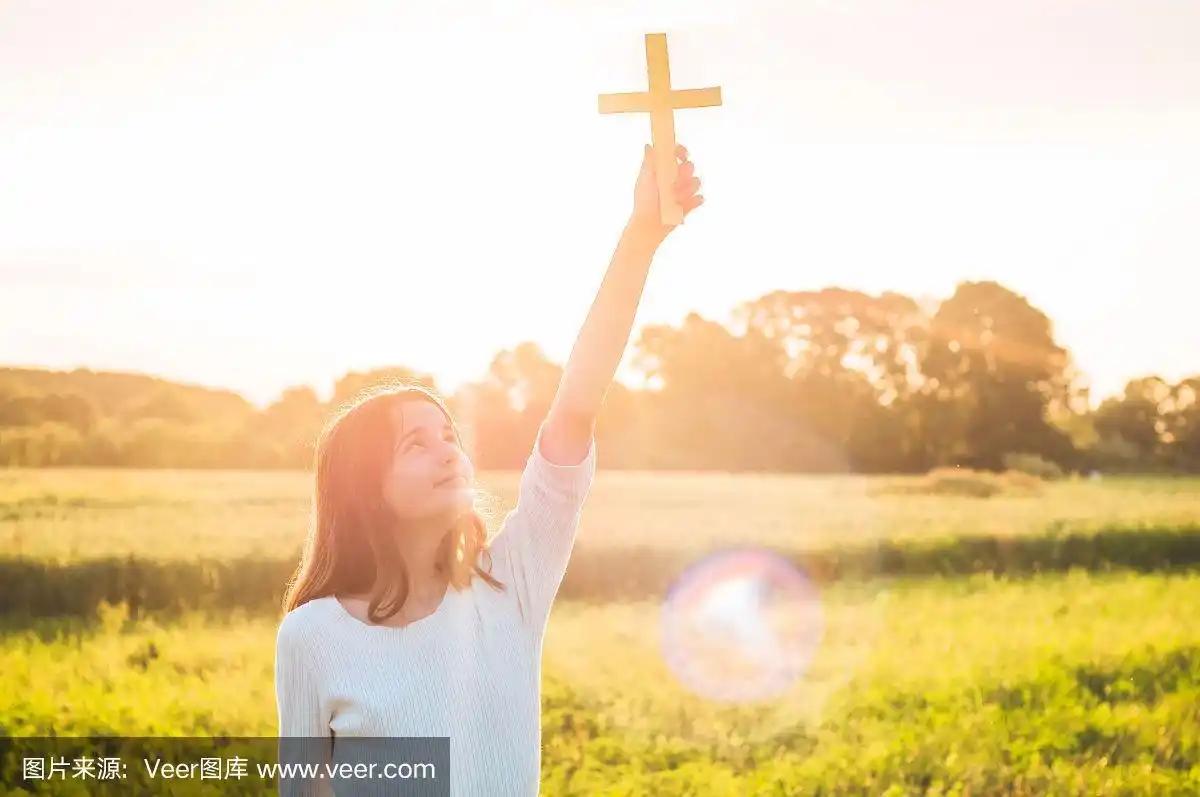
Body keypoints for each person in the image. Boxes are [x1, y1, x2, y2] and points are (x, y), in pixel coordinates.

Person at [274, 143, 705, 796]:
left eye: (448, 434)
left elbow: (574, 406)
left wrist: (641, 236)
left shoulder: (511, 583)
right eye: (414, 445)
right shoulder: (312, 636)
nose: (447, 449)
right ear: (366, 491)